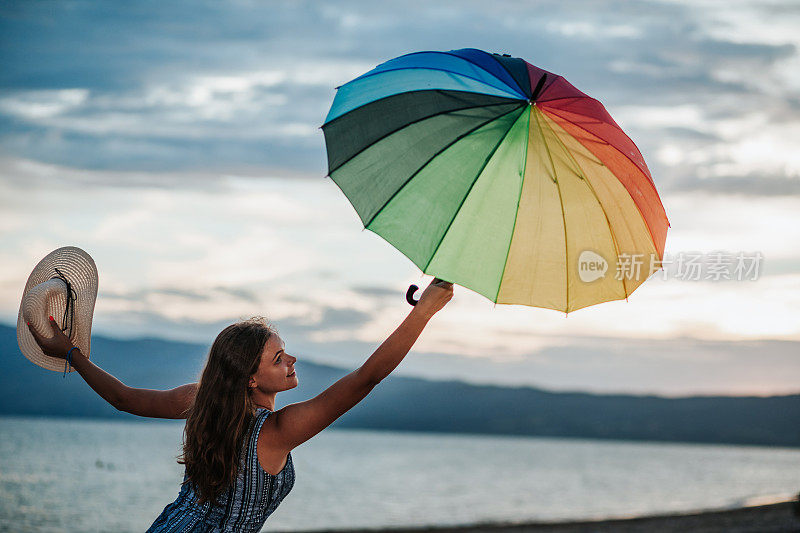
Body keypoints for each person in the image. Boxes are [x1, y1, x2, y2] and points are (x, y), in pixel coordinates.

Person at [26, 277, 453, 532]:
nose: (292, 360)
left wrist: (71, 353)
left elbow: (124, 399)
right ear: (252, 378)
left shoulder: (201, 402)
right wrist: (424, 313)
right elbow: (366, 379)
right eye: (278, 358)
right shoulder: (277, 432)